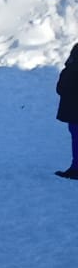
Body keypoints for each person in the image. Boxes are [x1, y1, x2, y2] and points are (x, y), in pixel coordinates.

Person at [57, 43, 78, 180]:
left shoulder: (70, 69)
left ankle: (76, 168)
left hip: (73, 111)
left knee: (76, 138)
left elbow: (61, 88)